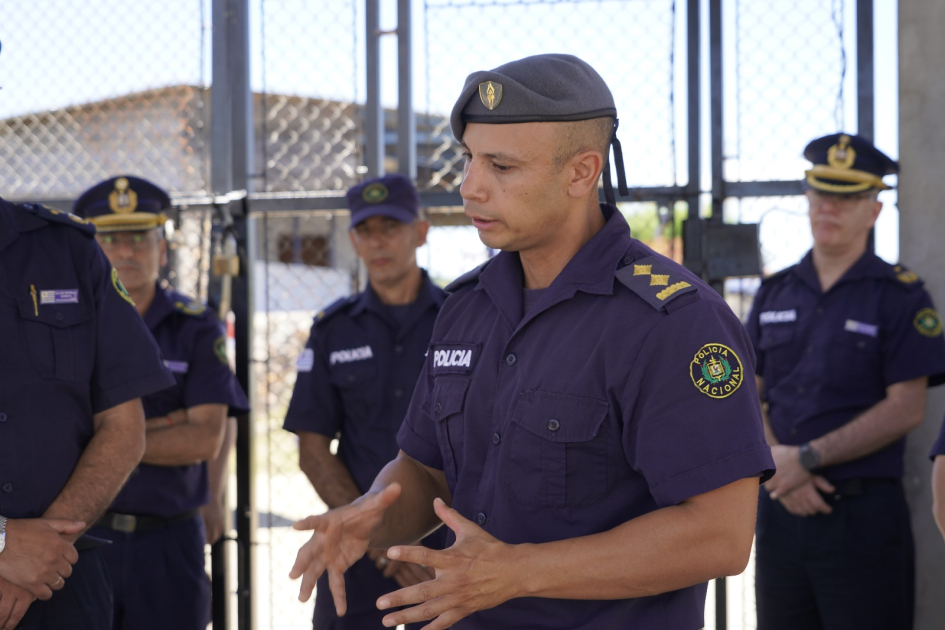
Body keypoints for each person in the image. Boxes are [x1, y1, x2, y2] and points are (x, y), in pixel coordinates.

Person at [288, 53, 774, 630]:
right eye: (469, 159)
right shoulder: (466, 307)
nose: (470, 187)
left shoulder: (674, 323)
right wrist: (373, 515)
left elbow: (719, 536)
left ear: (580, 172)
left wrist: (519, 572)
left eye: (502, 166)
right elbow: (427, 472)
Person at [746, 133, 945, 629]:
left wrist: (807, 458)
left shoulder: (902, 296)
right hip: (781, 511)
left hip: (863, 521)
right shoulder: (773, 292)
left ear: (874, 211)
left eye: (848, 196)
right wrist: (779, 468)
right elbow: (747, 391)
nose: (829, 207)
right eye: (821, 193)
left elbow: (907, 407)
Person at [72, 176, 250, 630]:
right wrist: (169, 425)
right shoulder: (67, 328)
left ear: (163, 251)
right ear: (92, 250)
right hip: (85, 536)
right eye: (111, 239)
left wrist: (102, 438)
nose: (126, 252)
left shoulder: (195, 326)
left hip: (170, 542)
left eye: (139, 239)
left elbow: (205, 437)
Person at [0, 196, 174, 629]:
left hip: (61, 587)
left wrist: (42, 556)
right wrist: (4, 544)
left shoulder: (66, 249)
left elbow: (123, 427)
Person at [283, 173, 447, 629]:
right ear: (353, 240)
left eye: (390, 227)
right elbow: (313, 451)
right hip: (357, 557)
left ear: (420, 231)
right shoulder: (333, 329)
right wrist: (379, 542)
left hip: (449, 552)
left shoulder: (462, 320)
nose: (378, 242)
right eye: (365, 231)